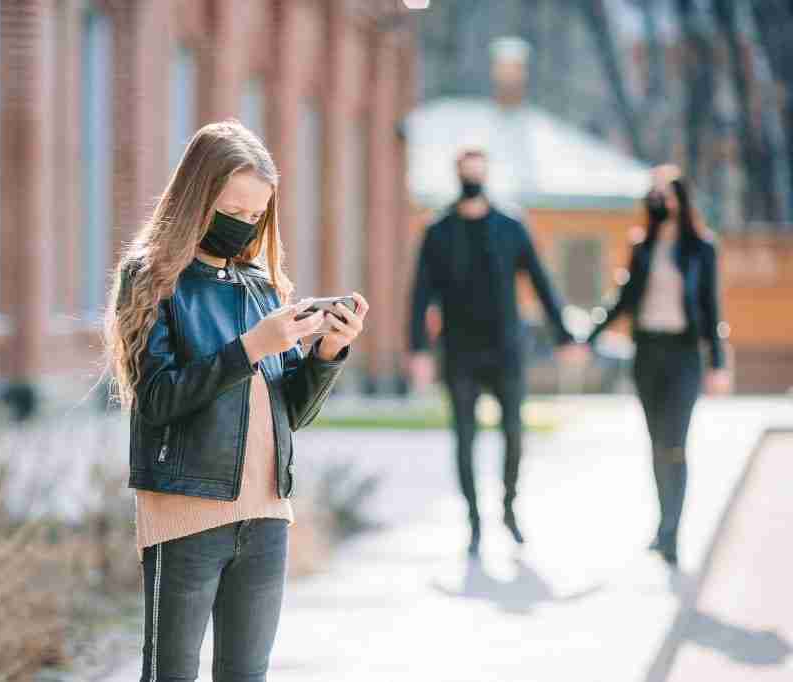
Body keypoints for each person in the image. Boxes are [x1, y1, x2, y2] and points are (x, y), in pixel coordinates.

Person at [105, 120, 368, 682]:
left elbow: (291, 413)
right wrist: (249, 348)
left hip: (267, 514)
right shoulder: (152, 279)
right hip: (186, 512)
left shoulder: (261, 286)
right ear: (199, 198)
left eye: (257, 215)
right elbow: (155, 399)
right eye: (235, 211)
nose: (246, 225)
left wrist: (327, 352)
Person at [407, 147, 585, 556]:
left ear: (486, 173)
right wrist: (417, 349)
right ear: (457, 174)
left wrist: (564, 335)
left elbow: (541, 282)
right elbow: (419, 294)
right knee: (465, 438)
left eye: (478, 170)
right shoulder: (438, 231)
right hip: (459, 351)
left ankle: (508, 508)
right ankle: (474, 522)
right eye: (466, 170)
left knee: (514, 433)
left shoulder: (510, 227)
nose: (473, 176)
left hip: (505, 348)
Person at [587, 164, 731, 567]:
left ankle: (672, 531)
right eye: (655, 194)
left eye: (668, 194)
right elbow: (623, 299)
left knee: (675, 443)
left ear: (682, 200)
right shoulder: (643, 246)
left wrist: (717, 363)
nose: (661, 200)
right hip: (648, 353)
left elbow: (711, 306)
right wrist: (590, 335)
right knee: (656, 444)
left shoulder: (702, 248)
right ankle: (661, 524)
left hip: (684, 354)